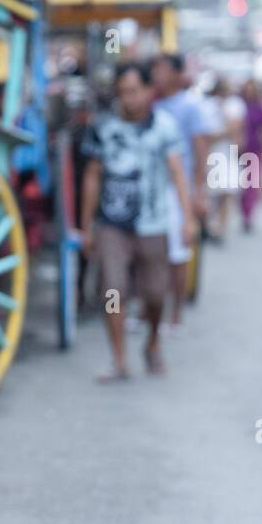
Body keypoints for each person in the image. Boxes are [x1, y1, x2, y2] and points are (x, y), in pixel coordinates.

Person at [80, 62, 195, 381]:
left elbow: (177, 172)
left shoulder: (165, 126)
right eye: (122, 93)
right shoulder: (103, 127)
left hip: (153, 222)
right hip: (112, 224)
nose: (128, 99)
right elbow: (92, 176)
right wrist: (86, 225)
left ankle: (153, 342)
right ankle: (119, 359)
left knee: (156, 294)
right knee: (113, 290)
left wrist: (187, 219)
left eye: (134, 91)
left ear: (148, 91)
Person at [150, 52, 212, 329]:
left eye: (161, 69)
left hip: (179, 189)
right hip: (152, 189)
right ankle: (149, 311)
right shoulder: (150, 104)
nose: (157, 75)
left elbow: (200, 151)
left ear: (176, 73)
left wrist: (199, 192)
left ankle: (175, 312)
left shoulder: (190, 106)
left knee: (177, 254)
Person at [203, 76, 244, 241]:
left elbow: (235, 131)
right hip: (211, 156)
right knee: (211, 194)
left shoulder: (234, 106)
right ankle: (209, 226)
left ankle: (221, 228)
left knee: (226, 193)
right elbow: (205, 135)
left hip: (227, 156)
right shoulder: (206, 106)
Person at [238, 80, 262, 231]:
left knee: (252, 183)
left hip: (255, 148)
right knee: (239, 183)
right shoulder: (238, 106)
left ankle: (248, 215)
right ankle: (242, 209)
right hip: (238, 150)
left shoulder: (259, 108)